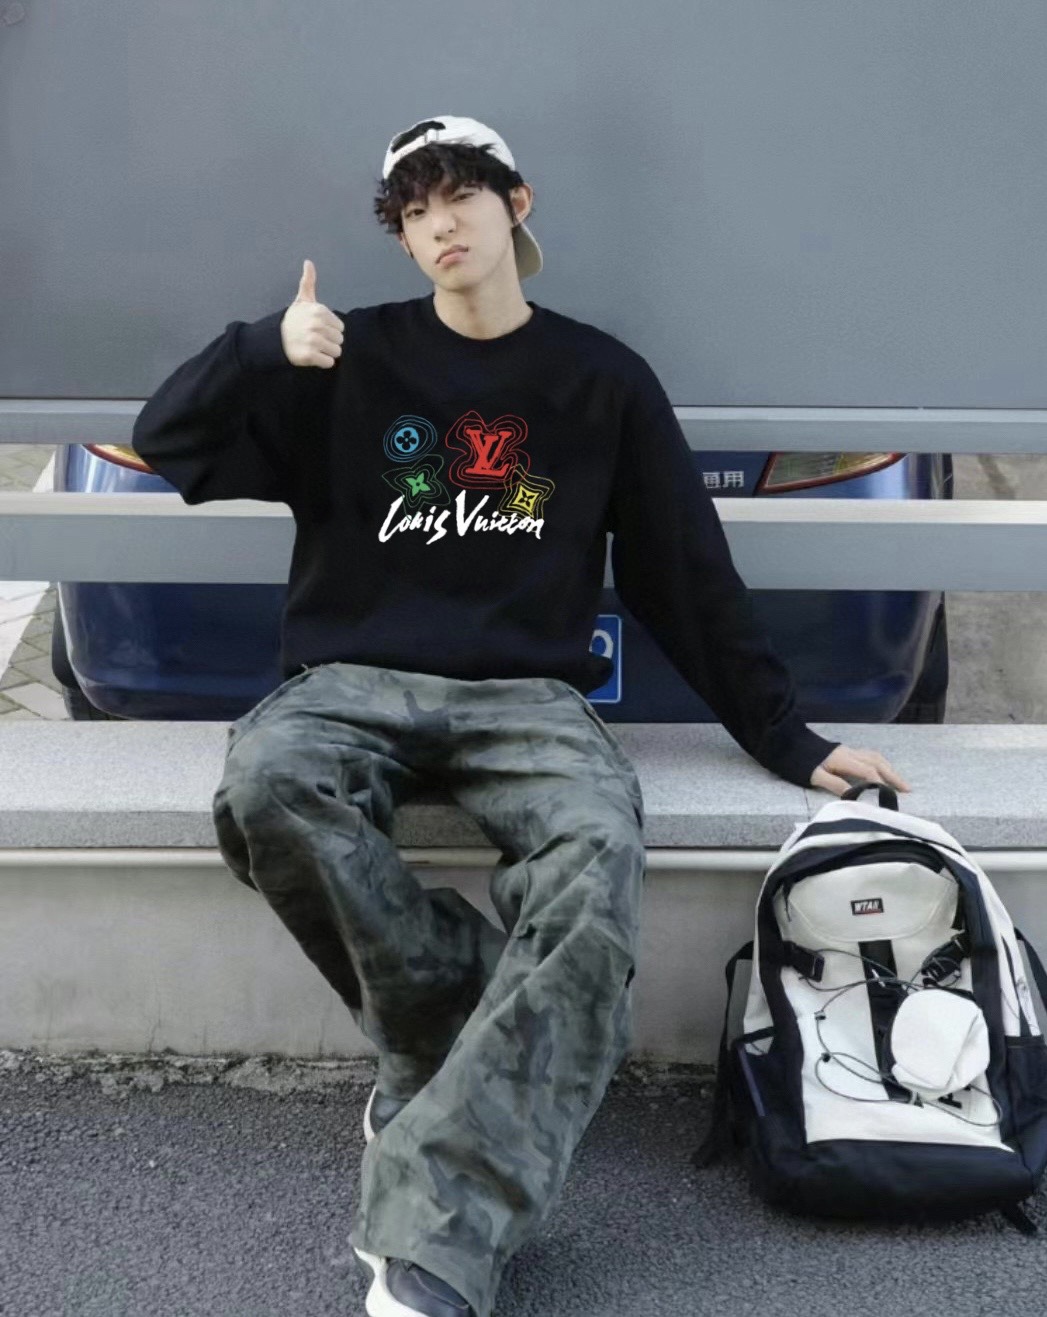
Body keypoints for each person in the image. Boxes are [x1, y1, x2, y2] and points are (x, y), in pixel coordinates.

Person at [130, 115, 911, 1317]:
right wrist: (259, 351)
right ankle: (463, 1024)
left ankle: (438, 1232)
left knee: (595, 860)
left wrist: (787, 738)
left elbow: (682, 575)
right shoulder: (344, 359)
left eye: (459, 195)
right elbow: (167, 444)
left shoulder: (600, 379)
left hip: (528, 700)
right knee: (265, 784)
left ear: (516, 204)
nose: (439, 224)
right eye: (413, 211)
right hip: (350, 686)